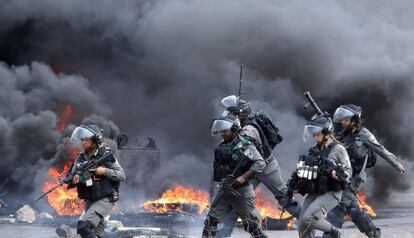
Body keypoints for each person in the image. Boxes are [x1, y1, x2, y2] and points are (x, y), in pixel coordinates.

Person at [217, 95, 301, 236]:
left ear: (239, 114)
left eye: (231, 112)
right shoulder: (242, 125)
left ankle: (308, 220)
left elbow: (247, 157)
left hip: (266, 167)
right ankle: (224, 234)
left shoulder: (248, 131)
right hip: (251, 169)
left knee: (284, 197)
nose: (228, 115)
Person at [323, 104, 405, 238]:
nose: (343, 123)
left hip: (355, 177)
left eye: (346, 120)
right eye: (342, 120)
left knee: (339, 206)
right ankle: (373, 233)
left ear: (355, 120)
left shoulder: (363, 134)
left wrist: (397, 165)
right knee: (353, 209)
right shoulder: (341, 134)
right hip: (342, 174)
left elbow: (380, 149)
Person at [202, 115, 267, 238]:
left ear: (234, 130)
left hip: (241, 193)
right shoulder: (222, 146)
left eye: (225, 131)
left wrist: (243, 177)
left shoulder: (244, 145)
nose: (222, 134)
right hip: (224, 192)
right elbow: (215, 172)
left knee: (251, 226)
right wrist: (212, 193)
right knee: (210, 222)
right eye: (220, 132)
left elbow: (260, 162)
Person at [290, 115, 352, 238]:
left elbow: (348, 172)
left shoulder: (338, 149)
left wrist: (337, 175)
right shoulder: (313, 150)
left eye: (317, 134)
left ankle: (336, 232)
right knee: (303, 224)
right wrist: (297, 186)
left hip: (331, 192)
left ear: (326, 133)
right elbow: (309, 172)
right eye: (313, 134)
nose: (314, 137)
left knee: (308, 218)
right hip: (315, 192)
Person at [67, 125, 126, 238]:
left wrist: (104, 171)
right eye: (82, 139)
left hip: (106, 198)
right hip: (90, 199)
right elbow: (72, 175)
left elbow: (122, 175)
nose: (83, 142)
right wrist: (75, 180)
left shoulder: (105, 155)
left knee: (83, 227)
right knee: (95, 235)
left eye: (86, 139)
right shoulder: (80, 158)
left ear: (94, 140)